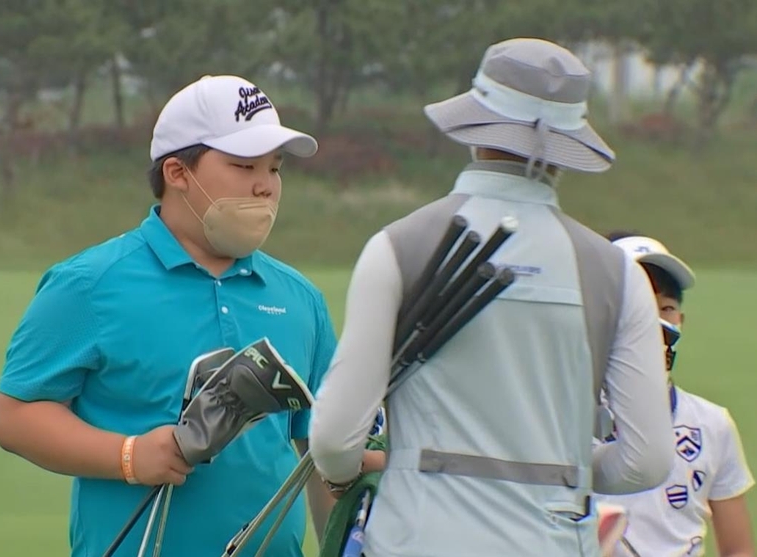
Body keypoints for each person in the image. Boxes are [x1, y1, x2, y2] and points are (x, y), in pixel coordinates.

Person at [307, 37, 676, 556]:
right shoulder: (616, 272)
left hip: (416, 539)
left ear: (478, 127)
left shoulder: (397, 246)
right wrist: (556, 466)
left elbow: (333, 443)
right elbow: (647, 460)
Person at [0, 74, 350, 556]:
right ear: (179, 172)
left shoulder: (299, 298)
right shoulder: (89, 284)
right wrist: (130, 456)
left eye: (275, 167)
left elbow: (322, 454)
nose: (265, 186)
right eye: (244, 165)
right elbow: (16, 417)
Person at [595, 232, 755, 557]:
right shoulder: (563, 420)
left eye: (666, 307)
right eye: (637, 305)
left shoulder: (712, 424)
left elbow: (738, 548)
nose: (652, 323)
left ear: (680, 320)